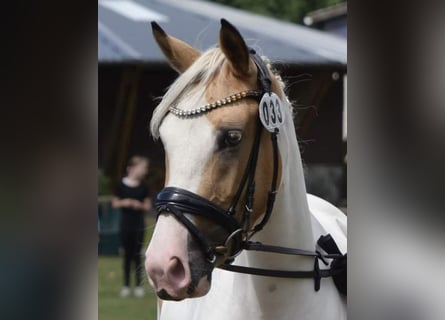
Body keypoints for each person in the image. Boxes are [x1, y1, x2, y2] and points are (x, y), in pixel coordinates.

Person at [112, 156, 151, 298]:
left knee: (137, 255)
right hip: (125, 224)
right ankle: (126, 285)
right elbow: (115, 203)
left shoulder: (143, 187)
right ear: (132, 168)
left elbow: (147, 205)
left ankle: (139, 285)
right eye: (143, 168)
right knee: (126, 255)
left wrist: (138, 205)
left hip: (138, 224)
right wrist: (125, 202)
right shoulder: (121, 185)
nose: (145, 171)